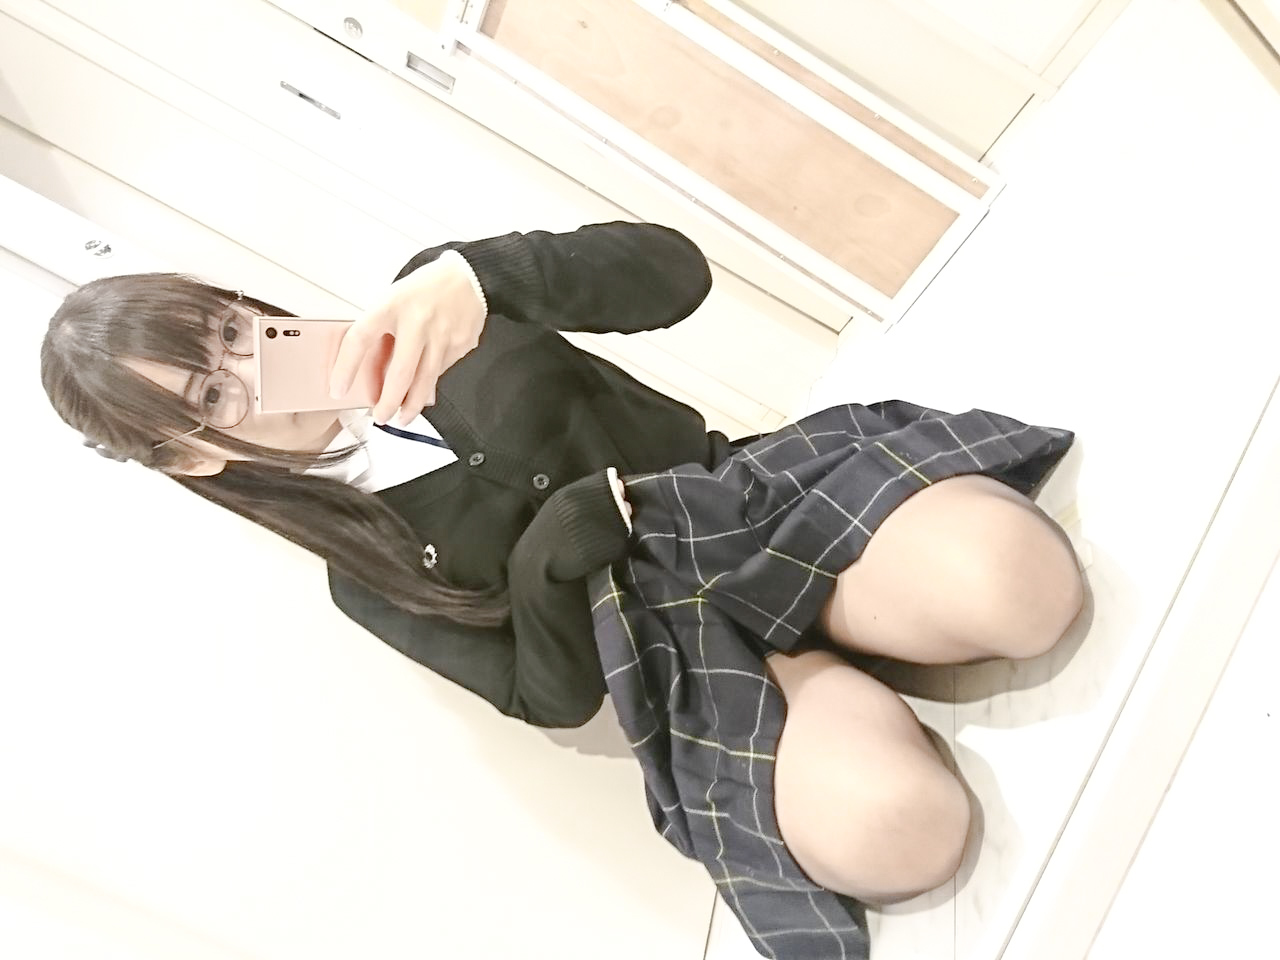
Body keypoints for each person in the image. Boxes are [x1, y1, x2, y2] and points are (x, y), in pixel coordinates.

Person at [41, 221, 1083, 958]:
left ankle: (889, 622)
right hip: (689, 665)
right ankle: (853, 674)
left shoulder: (437, 307)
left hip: (754, 508)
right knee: (898, 831)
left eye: (228, 332)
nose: (252, 371)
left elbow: (676, 275)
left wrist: (483, 276)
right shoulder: (362, 577)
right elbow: (550, 696)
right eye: (213, 394)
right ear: (193, 458)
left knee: (1023, 587)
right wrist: (551, 557)